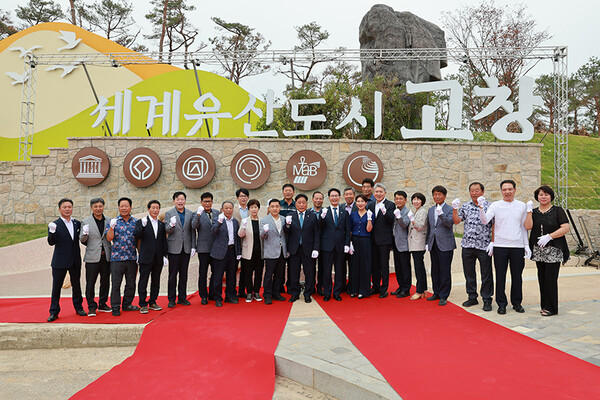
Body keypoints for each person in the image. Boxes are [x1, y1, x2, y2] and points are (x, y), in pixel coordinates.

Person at [478, 179, 530, 315]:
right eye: (504, 189)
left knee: (517, 276)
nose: (507, 192)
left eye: (510, 189)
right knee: (500, 276)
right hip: (500, 246)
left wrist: (526, 245)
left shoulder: (521, 206)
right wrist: (481, 208)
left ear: (514, 190)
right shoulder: (495, 205)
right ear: (501, 191)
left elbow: (524, 227)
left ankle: (517, 303)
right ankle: (501, 304)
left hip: (517, 246)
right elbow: (485, 220)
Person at [524, 185, 570, 316]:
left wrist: (549, 236)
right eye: (540, 194)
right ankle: (544, 305)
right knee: (542, 278)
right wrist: (528, 212)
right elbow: (528, 226)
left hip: (553, 250)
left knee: (550, 279)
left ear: (551, 197)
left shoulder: (557, 210)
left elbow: (565, 228)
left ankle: (552, 308)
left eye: (546, 194)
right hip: (539, 251)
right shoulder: (534, 212)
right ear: (537, 197)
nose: (543, 197)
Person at [452, 182, 494, 311]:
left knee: (486, 273)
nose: (474, 193)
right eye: (472, 190)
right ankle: (472, 296)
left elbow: (494, 225)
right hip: (467, 245)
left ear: (482, 192)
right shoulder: (465, 206)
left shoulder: (490, 206)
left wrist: (493, 242)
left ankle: (487, 299)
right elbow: (457, 221)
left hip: (484, 245)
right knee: (469, 272)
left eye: (477, 190)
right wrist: (454, 208)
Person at [47, 198, 86, 322]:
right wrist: (52, 232)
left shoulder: (77, 223)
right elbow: (51, 242)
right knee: (56, 287)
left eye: (69, 207)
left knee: (77, 286)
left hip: (75, 259)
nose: (67, 209)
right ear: (60, 209)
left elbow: (82, 240)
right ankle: (54, 312)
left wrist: (86, 235)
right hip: (60, 260)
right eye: (65, 207)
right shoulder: (55, 224)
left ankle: (79, 308)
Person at [284, 193, 320, 303]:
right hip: (294, 249)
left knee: (309, 272)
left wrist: (316, 249)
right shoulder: (290, 215)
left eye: (303, 203)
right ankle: (294, 293)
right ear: (296, 204)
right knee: (293, 272)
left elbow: (316, 234)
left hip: (308, 249)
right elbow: (286, 233)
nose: (301, 205)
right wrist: (287, 225)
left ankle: (308, 293)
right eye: (299, 203)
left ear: (306, 204)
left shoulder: (312, 216)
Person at [105, 197, 139, 316]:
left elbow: (139, 240)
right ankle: (115, 306)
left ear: (130, 207)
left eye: (126, 206)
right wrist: (112, 227)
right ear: (118, 207)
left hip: (131, 258)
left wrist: (139, 255)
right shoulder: (113, 222)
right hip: (117, 259)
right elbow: (109, 238)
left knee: (131, 283)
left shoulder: (135, 222)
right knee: (116, 284)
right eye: (121, 206)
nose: (124, 208)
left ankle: (127, 305)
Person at [134, 200, 168, 314]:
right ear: (148, 209)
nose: (155, 210)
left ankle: (153, 301)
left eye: (157, 208)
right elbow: (136, 236)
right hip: (145, 257)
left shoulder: (161, 224)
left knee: (156, 280)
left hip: (158, 257)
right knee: (143, 280)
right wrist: (142, 227)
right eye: (153, 208)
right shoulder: (142, 222)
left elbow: (164, 241)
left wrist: (164, 255)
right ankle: (142, 303)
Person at [79, 197, 111, 317]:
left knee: (105, 281)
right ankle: (91, 306)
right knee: (90, 283)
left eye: (100, 206)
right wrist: (85, 234)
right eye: (95, 206)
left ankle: (102, 304)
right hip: (92, 257)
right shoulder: (86, 221)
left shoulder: (109, 220)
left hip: (106, 256)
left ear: (103, 207)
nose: (98, 209)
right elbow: (82, 240)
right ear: (91, 208)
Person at [318, 188, 351, 301]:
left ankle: (337, 292)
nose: (334, 198)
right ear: (328, 198)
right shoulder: (325, 211)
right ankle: (327, 292)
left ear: (339, 197)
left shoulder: (344, 212)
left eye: (336, 195)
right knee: (326, 271)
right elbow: (319, 228)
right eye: (332, 196)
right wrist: (321, 218)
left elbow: (347, 230)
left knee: (339, 271)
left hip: (340, 246)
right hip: (327, 246)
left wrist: (347, 244)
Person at [425, 186, 456, 306]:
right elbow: (430, 228)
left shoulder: (450, 209)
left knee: (444, 270)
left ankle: (444, 295)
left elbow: (449, 224)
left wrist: (441, 214)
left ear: (445, 196)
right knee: (435, 269)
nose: (437, 197)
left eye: (439, 194)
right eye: (435, 194)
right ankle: (436, 292)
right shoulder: (431, 210)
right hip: (434, 243)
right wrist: (427, 242)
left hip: (446, 244)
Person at [164, 191, 195, 308]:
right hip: (174, 248)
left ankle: (182, 298)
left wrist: (193, 246)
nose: (180, 201)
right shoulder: (169, 213)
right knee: (172, 275)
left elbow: (192, 231)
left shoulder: (190, 213)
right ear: (174, 201)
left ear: (185, 201)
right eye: (178, 199)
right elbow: (167, 230)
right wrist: (171, 225)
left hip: (186, 248)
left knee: (184, 274)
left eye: (182, 199)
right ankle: (171, 299)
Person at [210, 201, 242, 307]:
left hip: (232, 251)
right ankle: (218, 297)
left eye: (230, 208)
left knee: (231, 275)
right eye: (226, 208)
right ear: (222, 209)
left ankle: (230, 296)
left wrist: (238, 252)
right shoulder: (217, 219)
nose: (228, 210)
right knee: (218, 276)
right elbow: (213, 232)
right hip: (220, 252)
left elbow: (237, 238)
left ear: (233, 209)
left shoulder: (235, 222)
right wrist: (219, 222)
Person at [367, 182, 396, 298]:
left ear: (385, 193)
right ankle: (375, 286)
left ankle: (384, 288)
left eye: (380, 192)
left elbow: (391, 221)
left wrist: (385, 212)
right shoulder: (370, 205)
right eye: (376, 192)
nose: (378, 194)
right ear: (374, 193)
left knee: (384, 265)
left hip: (384, 240)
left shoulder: (390, 205)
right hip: (372, 240)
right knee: (374, 265)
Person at [191, 192, 219, 305]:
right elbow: (193, 226)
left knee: (216, 272)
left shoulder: (217, 212)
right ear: (201, 202)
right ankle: (203, 296)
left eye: (209, 201)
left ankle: (212, 293)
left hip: (216, 247)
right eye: (205, 201)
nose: (207, 203)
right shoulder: (197, 213)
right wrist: (198, 215)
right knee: (203, 273)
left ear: (212, 202)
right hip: (203, 248)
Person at [260, 199, 288, 305]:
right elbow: (262, 236)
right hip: (270, 251)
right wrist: (264, 231)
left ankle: (276, 293)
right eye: (272, 206)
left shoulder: (284, 219)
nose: (275, 208)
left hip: (282, 251)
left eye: (277, 206)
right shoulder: (264, 220)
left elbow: (286, 235)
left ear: (280, 207)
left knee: (279, 274)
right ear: (269, 208)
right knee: (268, 274)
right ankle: (267, 295)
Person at [238, 199, 264, 302]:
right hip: (248, 251)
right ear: (249, 209)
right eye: (252, 207)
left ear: (258, 209)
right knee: (247, 273)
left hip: (260, 252)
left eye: (255, 207)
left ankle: (256, 292)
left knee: (258, 272)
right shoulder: (245, 221)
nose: (254, 209)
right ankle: (249, 292)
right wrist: (243, 227)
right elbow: (240, 235)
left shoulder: (262, 221)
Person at [349, 194, 373, 298]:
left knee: (365, 265)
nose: (360, 203)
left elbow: (369, 229)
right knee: (354, 265)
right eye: (358, 201)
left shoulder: (370, 214)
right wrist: (349, 243)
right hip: (354, 240)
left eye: (362, 201)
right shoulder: (353, 215)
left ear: (366, 203)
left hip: (365, 241)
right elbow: (349, 229)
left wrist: (369, 218)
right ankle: (354, 289)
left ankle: (364, 290)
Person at [391, 190, 412, 298]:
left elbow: (404, 225)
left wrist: (399, 217)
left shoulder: (408, 212)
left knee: (405, 267)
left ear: (405, 200)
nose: (398, 201)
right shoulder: (395, 210)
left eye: (400, 199)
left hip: (404, 243)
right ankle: (401, 286)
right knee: (398, 266)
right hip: (395, 242)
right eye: (396, 199)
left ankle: (406, 289)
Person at [407, 192, 428, 300]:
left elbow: (419, 226)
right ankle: (423, 290)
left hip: (418, 243)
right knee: (419, 267)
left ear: (422, 201)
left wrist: (412, 220)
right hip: (414, 243)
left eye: (418, 199)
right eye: (414, 199)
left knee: (418, 267)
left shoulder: (423, 211)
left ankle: (419, 291)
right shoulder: (417, 211)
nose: (415, 201)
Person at [232, 188, 250, 298]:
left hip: (248, 243)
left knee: (245, 268)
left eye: (245, 196)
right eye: (241, 196)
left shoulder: (251, 209)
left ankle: (242, 290)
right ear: (237, 198)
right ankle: (232, 291)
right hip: (235, 243)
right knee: (233, 268)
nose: (243, 198)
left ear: (248, 197)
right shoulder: (232, 210)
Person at [342, 187, 358, 293]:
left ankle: (352, 286)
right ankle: (342, 285)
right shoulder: (341, 207)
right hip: (342, 241)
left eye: (350, 194)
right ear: (344, 196)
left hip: (355, 241)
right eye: (346, 194)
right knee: (341, 265)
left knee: (353, 265)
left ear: (354, 195)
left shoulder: (359, 206)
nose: (348, 196)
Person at [310, 191, 325, 296]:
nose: (318, 200)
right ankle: (310, 287)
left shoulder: (327, 211)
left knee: (322, 267)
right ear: (313, 199)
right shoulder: (308, 212)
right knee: (310, 267)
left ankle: (320, 287)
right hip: (311, 244)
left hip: (324, 243)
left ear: (323, 200)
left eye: (320, 198)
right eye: (316, 198)